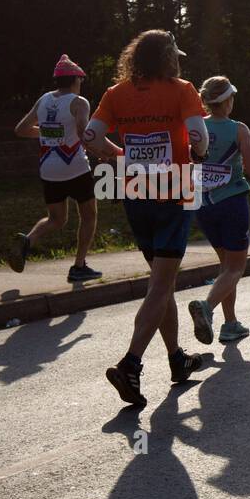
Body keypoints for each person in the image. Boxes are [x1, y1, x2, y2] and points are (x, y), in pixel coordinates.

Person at [85, 29, 209, 407]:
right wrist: (199, 154)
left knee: (162, 281)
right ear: (168, 58)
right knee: (160, 285)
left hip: (136, 193)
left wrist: (121, 154)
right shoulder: (183, 89)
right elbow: (199, 135)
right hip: (174, 193)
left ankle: (176, 359)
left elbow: (90, 137)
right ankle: (131, 363)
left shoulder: (115, 94)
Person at [9, 54, 102, 282]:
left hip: (48, 169)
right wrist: (102, 153)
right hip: (76, 167)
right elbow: (82, 132)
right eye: (80, 80)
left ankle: (28, 240)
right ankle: (79, 266)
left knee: (56, 219)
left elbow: (21, 129)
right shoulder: (79, 102)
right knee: (89, 215)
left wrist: (49, 131)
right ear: (75, 80)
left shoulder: (44, 100)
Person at [187, 76, 250, 346]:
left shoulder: (195, 128)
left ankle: (230, 324)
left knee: (226, 266)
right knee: (236, 268)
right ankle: (206, 307)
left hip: (203, 205)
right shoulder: (239, 129)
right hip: (231, 202)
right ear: (227, 100)